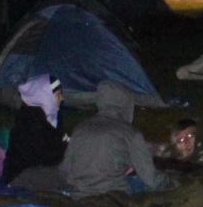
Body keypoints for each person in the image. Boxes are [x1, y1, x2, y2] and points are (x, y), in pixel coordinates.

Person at [14, 79, 165, 197]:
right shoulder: (131, 134)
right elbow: (150, 178)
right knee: (142, 183)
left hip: (78, 193)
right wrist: (173, 184)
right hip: (113, 194)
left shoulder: (82, 128)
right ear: (127, 104)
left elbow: (66, 170)